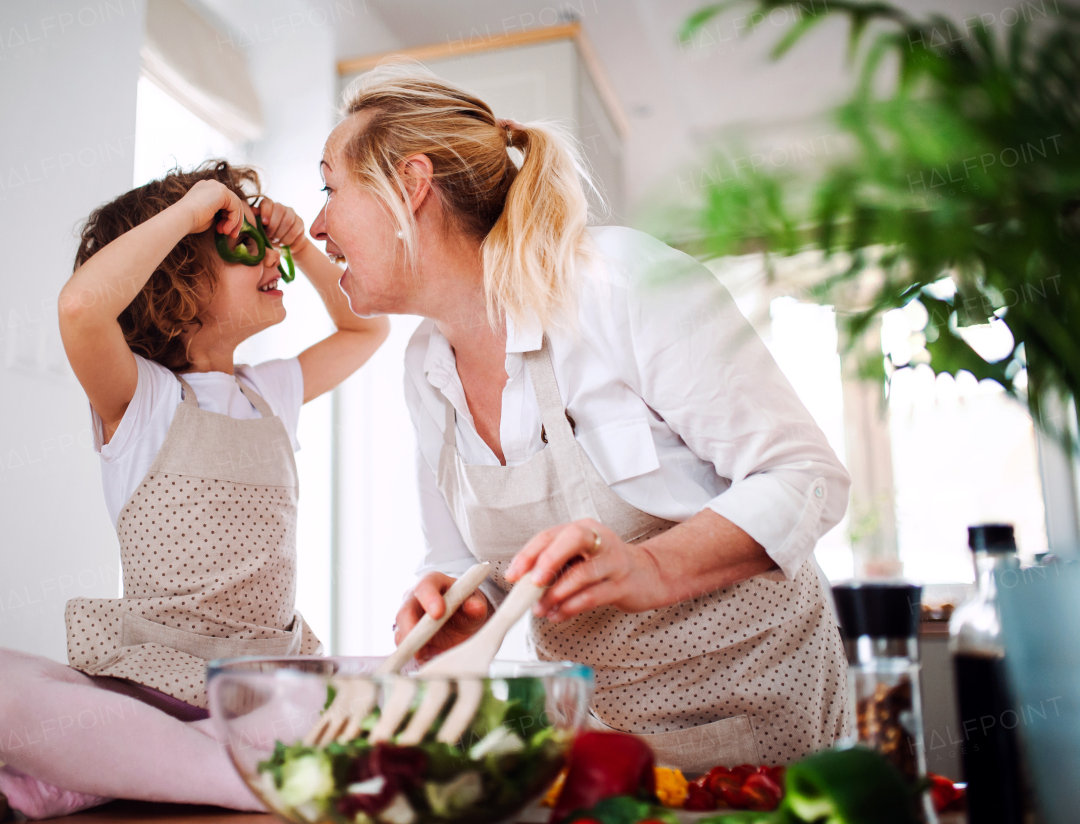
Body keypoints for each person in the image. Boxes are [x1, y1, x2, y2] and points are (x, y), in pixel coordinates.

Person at [311, 64, 851, 771]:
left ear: (412, 185)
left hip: (757, 721)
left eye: (330, 188)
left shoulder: (615, 283)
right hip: (595, 742)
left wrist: (651, 566)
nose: (318, 224)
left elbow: (807, 478)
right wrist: (460, 599)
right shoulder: (424, 365)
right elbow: (465, 559)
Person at [0, 161, 388, 818]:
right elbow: (80, 306)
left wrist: (298, 245)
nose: (268, 255)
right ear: (174, 287)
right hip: (152, 682)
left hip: (264, 683)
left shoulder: (269, 394)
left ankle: (121, 766)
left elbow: (366, 328)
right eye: (242, 245)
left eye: (267, 242)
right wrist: (187, 212)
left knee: (417, 682)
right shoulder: (144, 399)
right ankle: (242, 774)